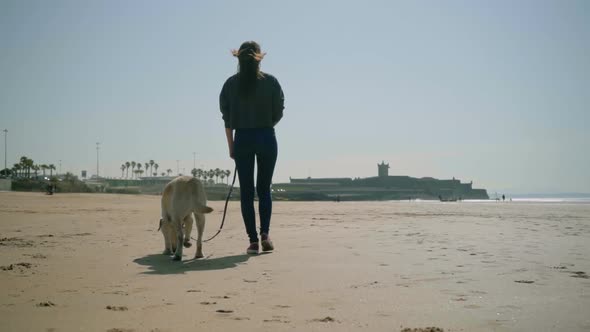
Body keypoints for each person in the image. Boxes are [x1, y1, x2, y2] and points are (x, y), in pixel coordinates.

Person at [219, 41, 284, 255]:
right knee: (264, 189)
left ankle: (253, 241)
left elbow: (227, 121)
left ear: (238, 58)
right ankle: (265, 234)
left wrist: (232, 147)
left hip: (243, 138)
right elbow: (278, 113)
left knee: (246, 193)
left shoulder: (230, 84)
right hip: (266, 135)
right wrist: (265, 125)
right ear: (259, 57)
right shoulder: (271, 82)